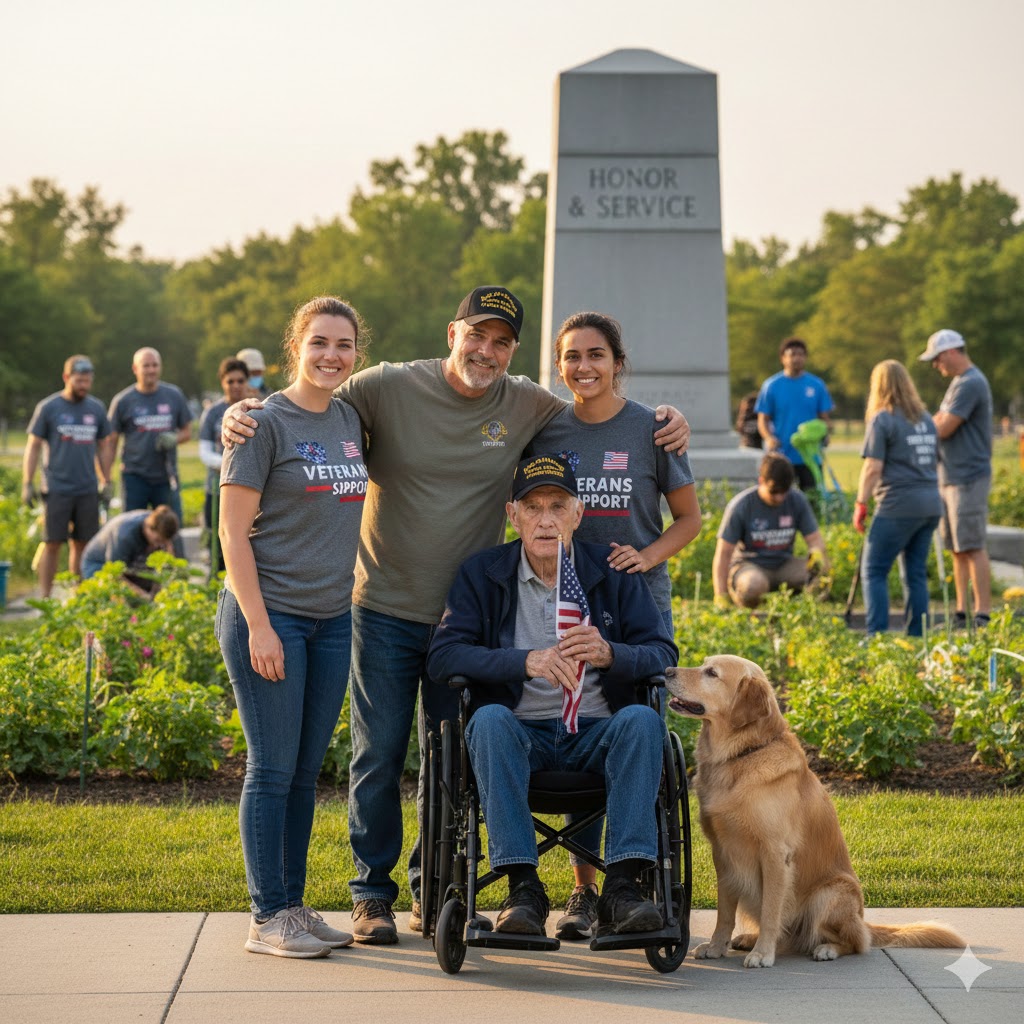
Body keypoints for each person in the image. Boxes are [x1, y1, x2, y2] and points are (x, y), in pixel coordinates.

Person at [222, 285, 690, 945]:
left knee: (457, 764)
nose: (487, 351)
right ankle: (370, 896)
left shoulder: (527, 401)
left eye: (501, 342)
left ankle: (437, 888)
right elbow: (310, 404)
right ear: (452, 334)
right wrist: (246, 411)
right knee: (378, 759)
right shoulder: (385, 386)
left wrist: (662, 421)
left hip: (468, 621)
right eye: (477, 336)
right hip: (383, 606)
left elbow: (597, 405)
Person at [426, 455, 678, 938]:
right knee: (490, 720)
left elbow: (661, 652)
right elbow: (444, 656)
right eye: (533, 507)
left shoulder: (612, 570)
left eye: (558, 506)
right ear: (512, 515)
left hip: (596, 733)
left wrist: (610, 654)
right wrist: (525, 661)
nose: (546, 520)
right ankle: (524, 889)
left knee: (645, 723)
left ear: (578, 514)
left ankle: (623, 888)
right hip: (521, 737)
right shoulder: (483, 573)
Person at [525, 310, 700, 939]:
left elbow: (689, 519)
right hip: (564, 603)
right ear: (558, 364)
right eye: (571, 357)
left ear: (618, 362)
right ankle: (582, 892)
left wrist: (645, 557)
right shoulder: (547, 428)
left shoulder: (652, 428)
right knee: (580, 723)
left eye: (596, 355)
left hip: (634, 607)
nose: (583, 368)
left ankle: (633, 881)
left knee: (632, 730)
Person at [216, 296, 369, 958]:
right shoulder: (260, 424)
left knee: (306, 771)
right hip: (268, 614)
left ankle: (294, 905)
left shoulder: (351, 418)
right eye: (320, 343)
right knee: (272, 767)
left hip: (332, 619)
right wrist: (258, 625)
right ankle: (265, 915)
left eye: (344, 344)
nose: (332, 355)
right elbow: (231, 531)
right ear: (295, 348)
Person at [853, 361, 942, 636]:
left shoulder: (882, 419)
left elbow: (873, 468)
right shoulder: (925, 418)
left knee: (874, 570)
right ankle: (917, 634)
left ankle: (876, 635)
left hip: (897, 504)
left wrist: (861, 503)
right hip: (929, 503)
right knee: (915, 573)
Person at [918, 329, 994, 628]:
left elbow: (944, 426)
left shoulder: (971, 383)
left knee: (972, 545)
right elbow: (938, 419)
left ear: (950, 352)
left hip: (968, 475)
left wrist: (914, 431)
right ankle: (962, 613)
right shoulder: (958, 383)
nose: (937, 366)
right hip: (950, 475)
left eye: (937, 360)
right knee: (957, 547)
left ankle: (983, 614)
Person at [22, 355, 114, 596]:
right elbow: (33, 446)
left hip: (86, 488)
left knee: (82, 544)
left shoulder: (96, 408)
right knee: (52, 543)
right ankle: (45, 596)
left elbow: (104, 446)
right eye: (79, 380)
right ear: (66, 378)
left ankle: (78, 595)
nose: (83, 385)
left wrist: (106, 480)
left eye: (87, 381)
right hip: (57, 488)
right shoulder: (49, 408)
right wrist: (26, 483)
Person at [713, 452, 828, 609]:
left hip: (784, 564)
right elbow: (724, 553)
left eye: (784, 491)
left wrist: (817, 555)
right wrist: (721, 595)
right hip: (750, 565)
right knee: (753, 586)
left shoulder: (797, 500)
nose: (780, 497)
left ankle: (793, 606)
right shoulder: (742, 505)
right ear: (762, 481)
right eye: (774, 491)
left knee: (821, 577)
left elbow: (814, 539)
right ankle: (747, 600)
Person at [107, 347, 193, 527]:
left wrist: (174, 438)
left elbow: (187, 431)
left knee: (168, 528)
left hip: (165, 475)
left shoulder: (173, 395)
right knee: (132, 527)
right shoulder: (123, 400)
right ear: (135, 369)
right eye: (146, 366)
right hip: (134, 476)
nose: (151, 370)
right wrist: (105, 478)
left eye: (155, 365)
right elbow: (110, 442)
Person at [755, 337, 834, 491]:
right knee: (780, 498)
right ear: (783, 358)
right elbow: (762, 419)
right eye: (792, 354)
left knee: (812, 500)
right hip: (782, 454)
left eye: (801, 354)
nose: (797, 358)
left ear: (805, 358)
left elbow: (824, 419)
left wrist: (825, 433)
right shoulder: (771, 386)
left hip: (810, 456)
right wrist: (769, 438)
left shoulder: (816, 385)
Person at [198, 358, 250, 568]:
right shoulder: (212, 413)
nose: (236, 386)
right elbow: (204, 452)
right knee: (220, 542)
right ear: (223, 382)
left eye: (240, 381)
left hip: (251, 488)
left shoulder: (257, 407)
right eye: (231, 381)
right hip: (218, 487)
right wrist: (231, 464)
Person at [80, 504, 179, 595]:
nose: (159, 545)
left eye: (164, 542)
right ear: (148, 528)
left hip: (131, 568)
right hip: (99, 565)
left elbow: (169, 562)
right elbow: (115, 575)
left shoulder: (162, 525)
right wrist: (142, 595)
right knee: (116, 596)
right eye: (157, 540)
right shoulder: (124, 535)